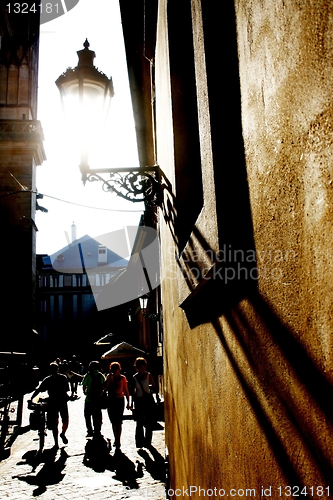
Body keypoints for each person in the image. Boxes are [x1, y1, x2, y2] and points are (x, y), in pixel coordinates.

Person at [29, 361, 70, 448]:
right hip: (62, 401)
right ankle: (62, 434)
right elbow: (66, 390)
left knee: (54, 424)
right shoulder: (63, 378)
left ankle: (56, 443)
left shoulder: (48, 379)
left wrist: (31, 398)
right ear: (58, 369)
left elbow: (39, 390)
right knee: (65, 420)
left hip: (52, 402)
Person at [131, 357, 158, 448]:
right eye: (140, 367)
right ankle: (140, 442)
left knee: (149, 422)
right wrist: (132, 404)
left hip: (147, 400)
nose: (142, 369)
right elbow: (133, 391)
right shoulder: (134, 378)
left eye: (142, 366)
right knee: (139, 422)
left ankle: (147, 442)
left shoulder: (148, 375)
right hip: (139, 401)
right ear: (137, 367)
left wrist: (156, 397)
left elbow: (154, 386)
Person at [103, 362, 130, 451]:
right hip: (111, 401)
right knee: (114, 421)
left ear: (119, 369)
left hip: (119, 400)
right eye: (114, 370)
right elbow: (104, 387)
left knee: (119, 421)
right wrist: (109, 379)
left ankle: (118, 439)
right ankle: (116, 437)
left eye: (117, 369)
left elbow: (126, 390)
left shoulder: (123, 378)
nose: (116, 371)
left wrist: (128, 402)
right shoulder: (109, 377)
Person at [82, 361, 105, 437]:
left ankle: (90, 430)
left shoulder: (88, 375)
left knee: (87, 416)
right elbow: (104, 386)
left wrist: (85, 392)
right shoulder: (101, 375)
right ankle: (97, 430)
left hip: (89, 399)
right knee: (97, 415)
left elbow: (84, 385)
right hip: (98, 399)